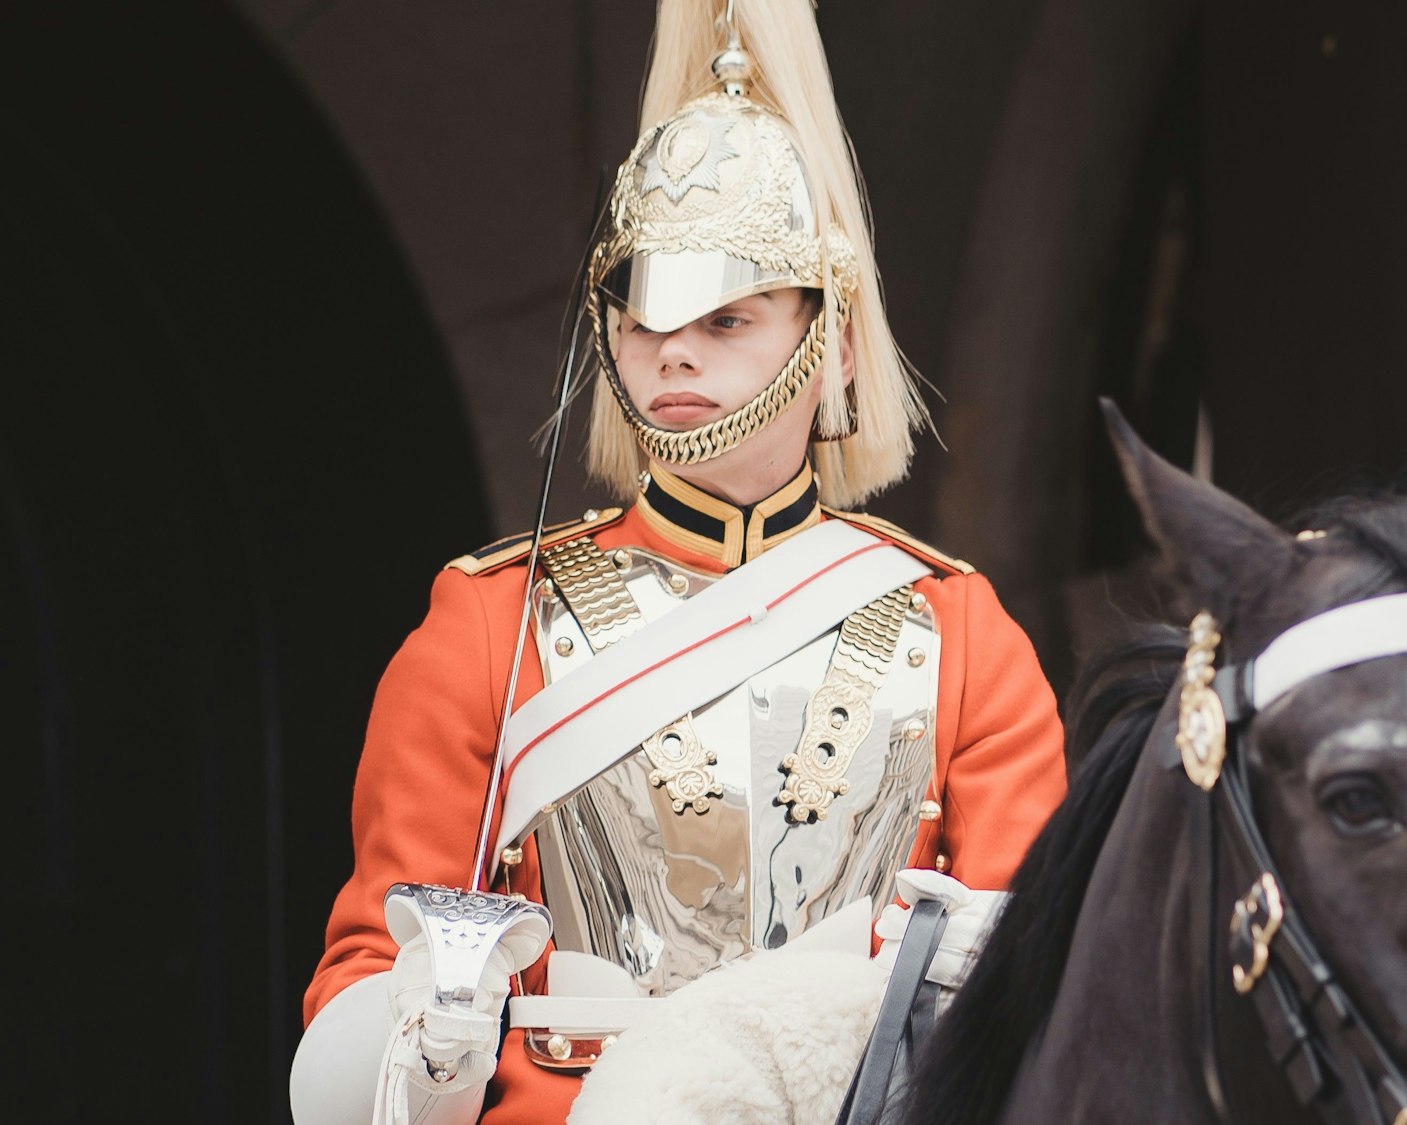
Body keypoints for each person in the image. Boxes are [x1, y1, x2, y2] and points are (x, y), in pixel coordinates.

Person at [289, 2, 1068, 1121]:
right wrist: (432, 1038)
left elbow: (1020, 993)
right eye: (644, 317)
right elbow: (370, 984)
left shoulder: (960, 636)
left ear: (830, 343)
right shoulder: (486, 620)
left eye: (729, 318)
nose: (676, 353)